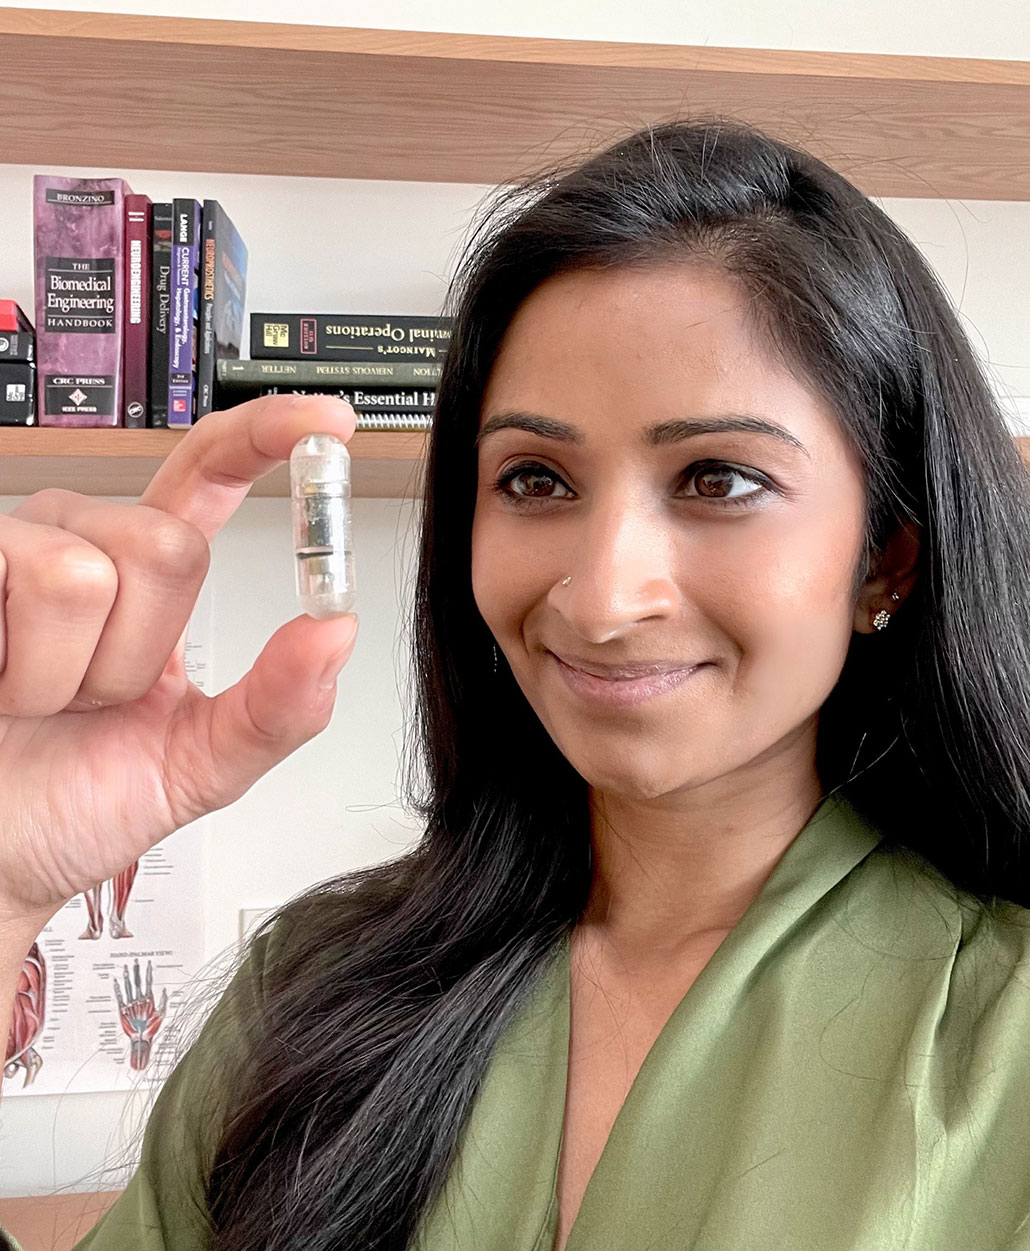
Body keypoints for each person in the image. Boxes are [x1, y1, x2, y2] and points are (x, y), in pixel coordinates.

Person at [3, 114, 1030, 1251]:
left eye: (718, 479)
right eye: (536, 479)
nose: (600, 600)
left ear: (885, 559)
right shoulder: (308, 992)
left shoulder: (1005, 1041)